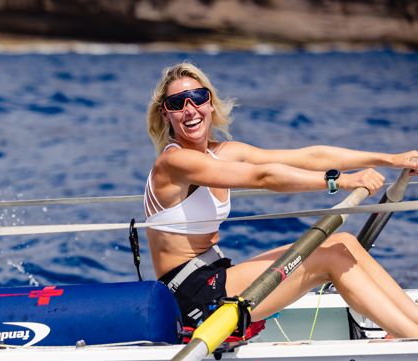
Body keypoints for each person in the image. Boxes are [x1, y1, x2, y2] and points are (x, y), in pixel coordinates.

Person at [144, 62, 418, 339]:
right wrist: (341, 180)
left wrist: (389, 159)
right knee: (331, 258)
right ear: (166, 114)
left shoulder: (222, 153)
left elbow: (308, 157)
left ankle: (412, 327)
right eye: (177, 103)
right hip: (191, 295)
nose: (190, 109)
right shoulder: (174, 161)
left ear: (211, 103)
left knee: (343, 242)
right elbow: (264, 177)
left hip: (215, 274)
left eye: (198, 98)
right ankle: (410, 339)